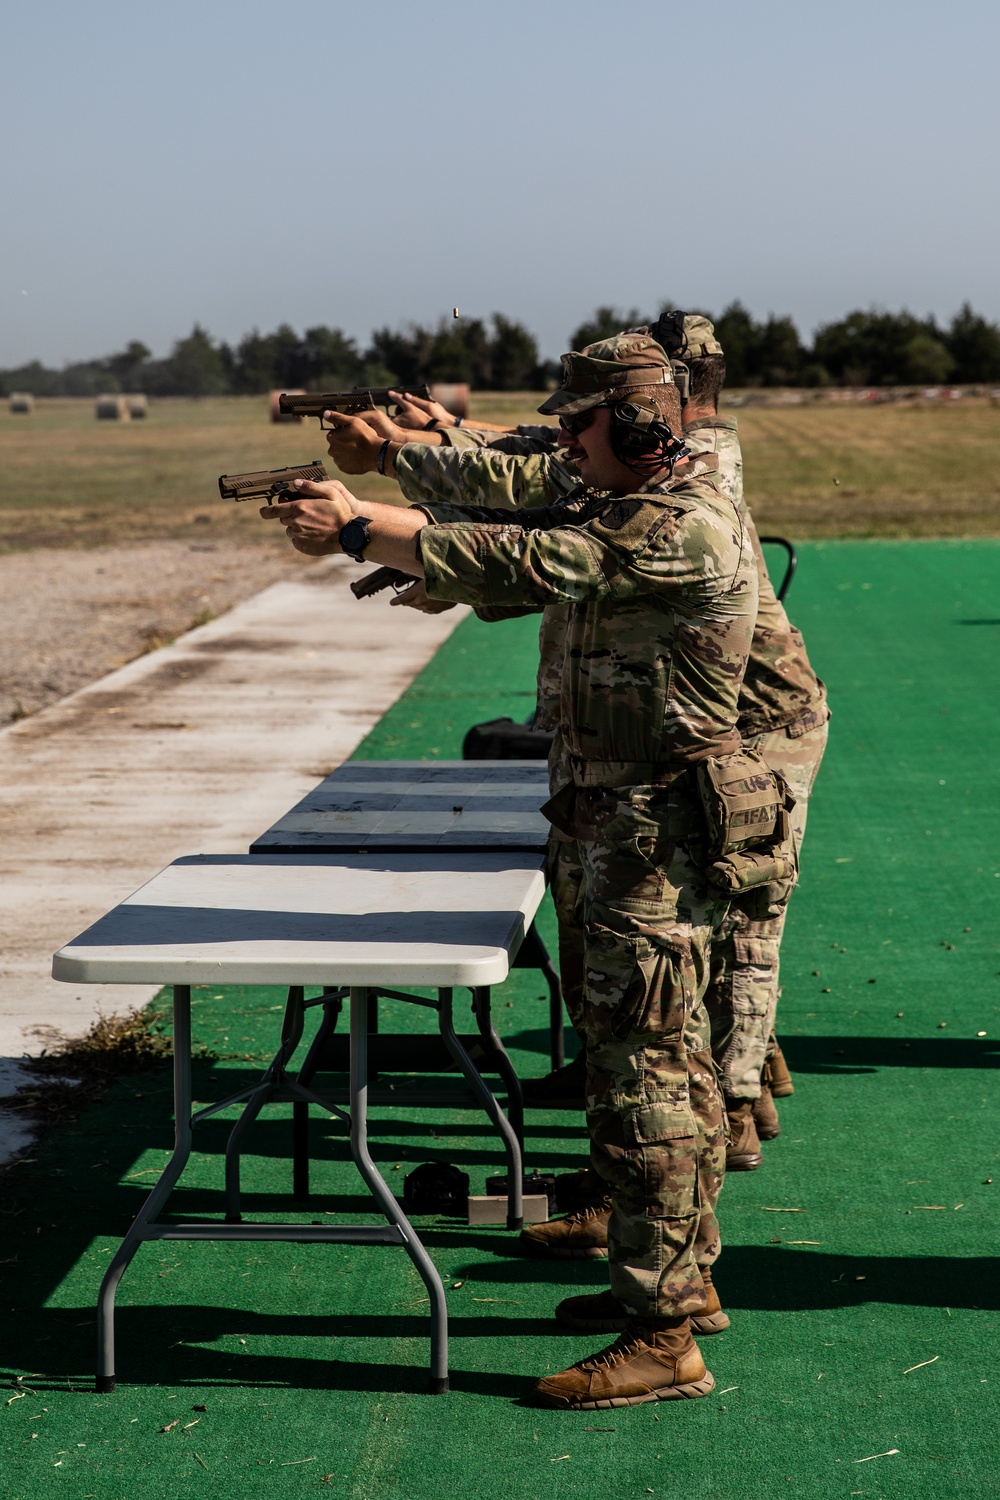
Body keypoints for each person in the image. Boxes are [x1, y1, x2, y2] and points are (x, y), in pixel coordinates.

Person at [261, 334, 764, 1409]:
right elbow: (525, 549)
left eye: (577, 427)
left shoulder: (681, 522)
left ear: (632, 428)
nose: (560, 446)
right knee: (644, 1067)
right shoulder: (637, 501)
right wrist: (395, 539)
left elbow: (524, 560)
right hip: (616, 819)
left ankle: (663, 1330)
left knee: (649, 1084)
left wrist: (359, 522)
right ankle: (679, 1288)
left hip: (650, 833)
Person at [320, 316, 829, 1171]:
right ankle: (668, 1109)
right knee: (649, 975)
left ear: (655, 402)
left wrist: (376, 494)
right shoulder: (643, 460)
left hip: (735, 729)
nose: (568, 438)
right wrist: (432, 459)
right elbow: (535, 487)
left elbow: (539, 514)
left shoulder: (689, 473)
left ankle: (729, 1106)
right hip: (645, 739)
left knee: (721, 941)